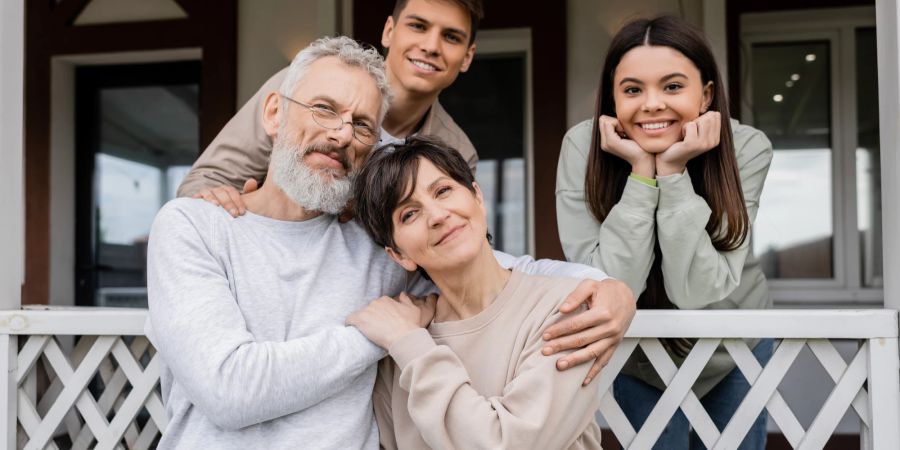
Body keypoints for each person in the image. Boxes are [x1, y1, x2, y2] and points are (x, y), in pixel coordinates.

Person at [147, 36, 630, 449]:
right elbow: (229, 390)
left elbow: (486, 264)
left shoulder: (381, 247)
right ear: (274, 112)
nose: (340, 134)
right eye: (324, 109)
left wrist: (609, 288)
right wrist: (375, 334)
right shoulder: (193, 226)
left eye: (361, 125)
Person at [555, 16, 774, 449]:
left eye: (673, 87)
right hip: (640, 354)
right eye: (632, 90)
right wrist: (641, 174)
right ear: (612, 97)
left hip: (734, 349)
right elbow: (608, 285)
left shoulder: (747, 147)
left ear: (706, 94)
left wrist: (672, 173)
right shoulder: (583, 149)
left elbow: (697, 290)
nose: (652, 104)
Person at [348, 136, 604, 449]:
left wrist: (411, 346)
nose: (438, 215)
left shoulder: (564, 310)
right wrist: (405, 342)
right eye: (410, 213)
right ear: (399, 255)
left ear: (477, 197)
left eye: (443, 191)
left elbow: (509, 445)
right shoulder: (398, 344)